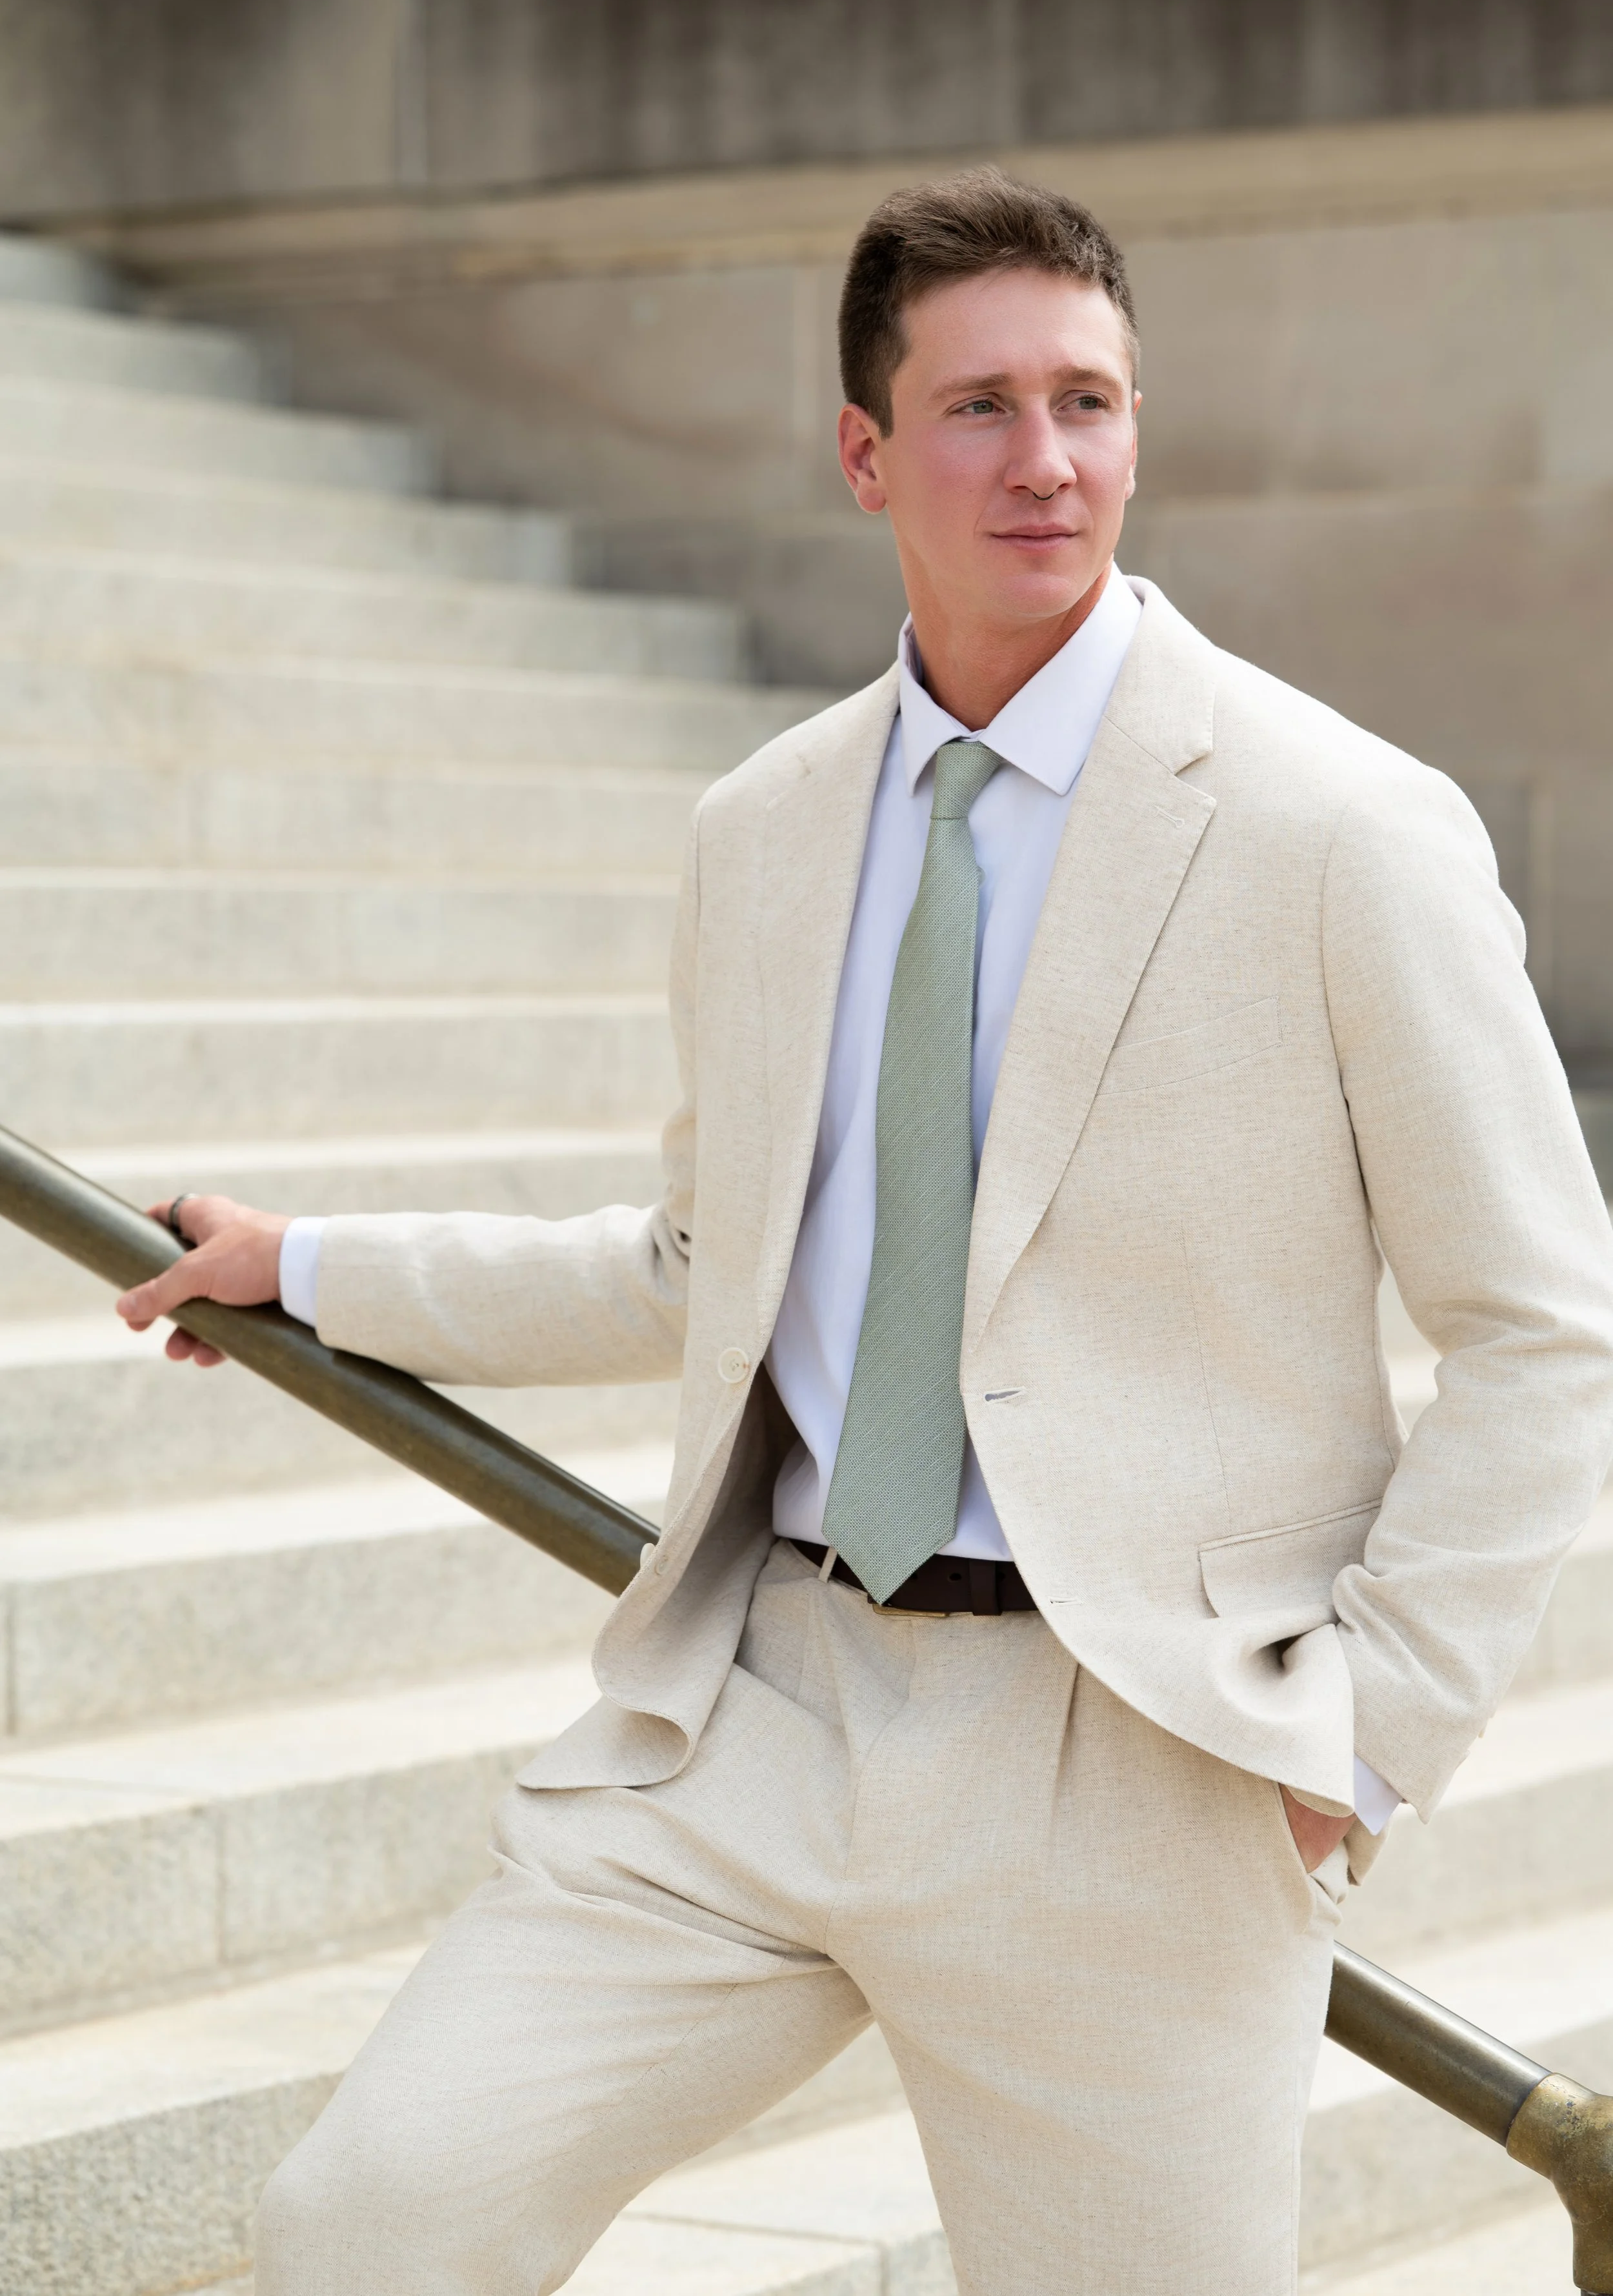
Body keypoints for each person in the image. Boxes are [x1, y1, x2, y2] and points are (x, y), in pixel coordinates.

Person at [117, 168, 1613, 2296]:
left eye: (1087, 400)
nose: (1047, 460)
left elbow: (1545, 1324)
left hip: (1138, 1778)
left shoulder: (1337, 827)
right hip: (758, 1710)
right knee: (373, 2218)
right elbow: (697, 1261)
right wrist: (313, 1266)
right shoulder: (767, 828)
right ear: (862, 452)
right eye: (982, 404)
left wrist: (1361, 1738)